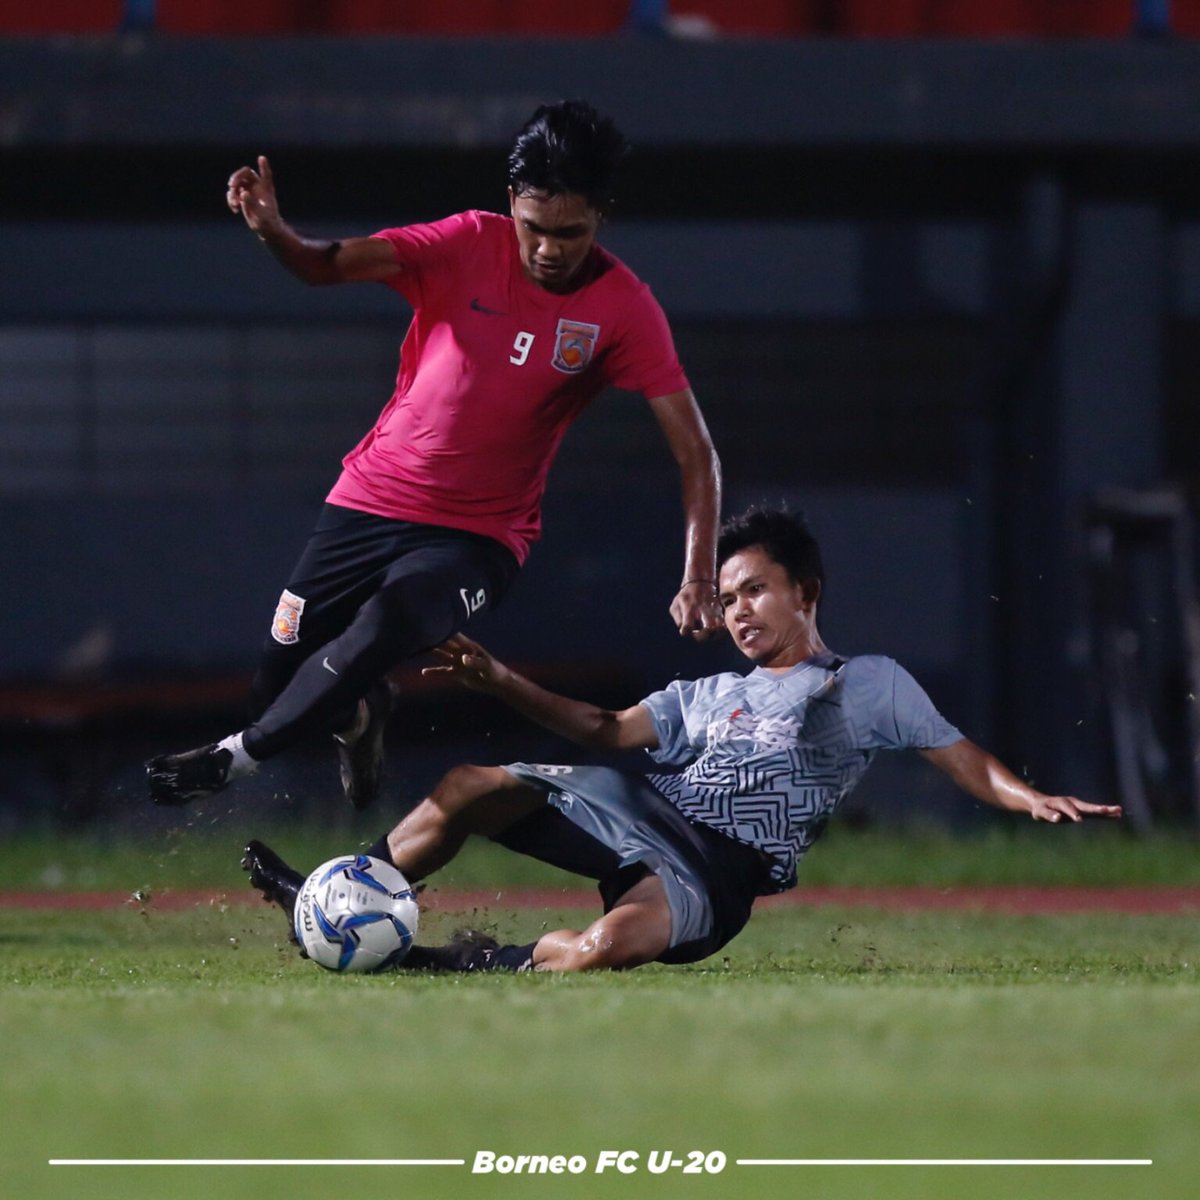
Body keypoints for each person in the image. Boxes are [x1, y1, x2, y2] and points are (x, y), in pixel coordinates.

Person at [146, 99, 723, 811]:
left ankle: (236, 758)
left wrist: (699, 577)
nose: (547, 248)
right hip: (368, 497)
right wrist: (274, 234)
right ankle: (361, 716)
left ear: (601, 214)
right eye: (534, 227)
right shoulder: (463, 243)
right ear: (511, 202)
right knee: (282, 679)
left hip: (478, 536)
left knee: (390, 623)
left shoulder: (624, 308)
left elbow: (696, 451)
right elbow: (325, 266)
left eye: (568, 232)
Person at [242, 507, 1122, 973]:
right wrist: (499, 680)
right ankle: (339, 899)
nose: (737, 611)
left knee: (592, 955)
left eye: (755, 592)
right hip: (643, 811)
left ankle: (419, 962)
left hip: (715, 871)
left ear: (807, 591)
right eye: (727, 597)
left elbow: (954, 751)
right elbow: (604, 729)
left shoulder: (866, 685)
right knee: (472, 783)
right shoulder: (710, 691)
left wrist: (1024, 794)